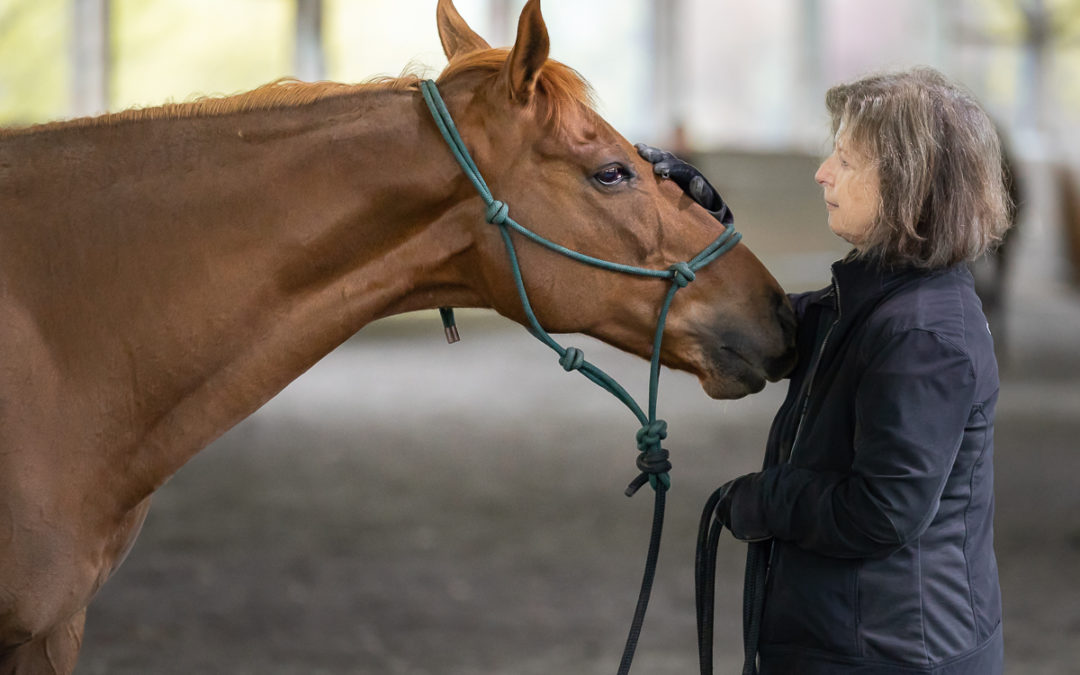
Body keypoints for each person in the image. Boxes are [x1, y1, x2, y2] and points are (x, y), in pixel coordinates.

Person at [638, 66, 1011, 674]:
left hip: (887, 655)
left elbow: (882, 513)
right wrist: (705, 215)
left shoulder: (922, 334)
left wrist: (766, 497)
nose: (823, 173)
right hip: (861, 641)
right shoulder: (884, 297)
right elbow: (783, 333)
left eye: (846, 159)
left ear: (906, 181)